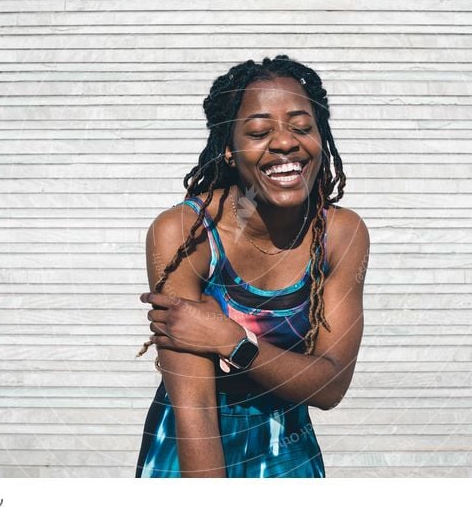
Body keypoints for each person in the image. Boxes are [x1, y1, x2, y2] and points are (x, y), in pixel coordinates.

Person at [134, 55, 369, 478]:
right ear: (228, 146)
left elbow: (330, 385)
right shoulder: (186, 233)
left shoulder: (340, 234)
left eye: (302, 127)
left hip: (288, 450)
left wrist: (232, 340)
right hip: (191, 454)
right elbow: (196, 411)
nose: (285, 143)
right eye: (260, 131)